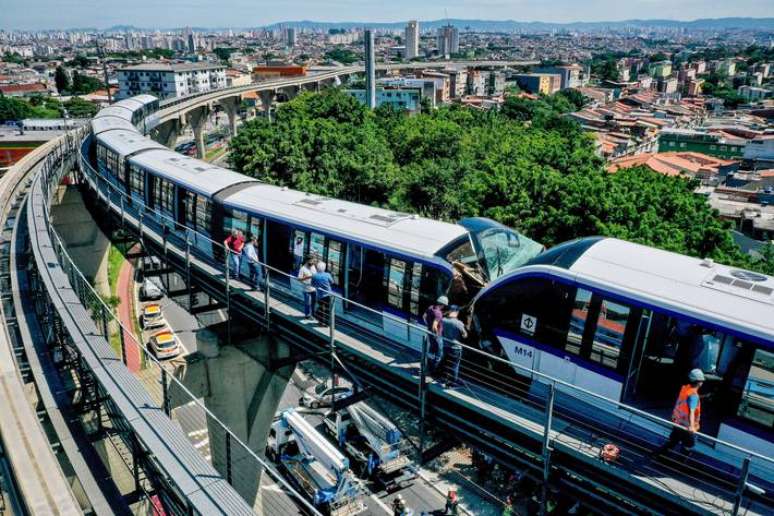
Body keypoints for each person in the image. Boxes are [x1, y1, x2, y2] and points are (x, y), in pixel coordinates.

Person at [653, 368, 704, 458]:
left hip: (678, 422)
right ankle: (680, 464)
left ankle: (657, 454)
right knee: (688, 446)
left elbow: (686, 401)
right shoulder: (694, 396)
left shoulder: (685, 388)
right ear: (698, 382)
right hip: (687, 427)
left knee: (673, 441)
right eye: (702, 380)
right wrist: (692, 426)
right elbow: (691, 411)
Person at [441, 307, 467, 387]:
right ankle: (453, 382)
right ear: (456, 312)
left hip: (445, 346)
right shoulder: (458, 323)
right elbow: (465, 335)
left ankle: (446, 379)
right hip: (455, 347)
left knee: (447, 363)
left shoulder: (443, 320)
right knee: (455, 365)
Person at [423, 295, 448, 372]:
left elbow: (424, 316)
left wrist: (428, 325)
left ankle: (429, 366)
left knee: (431, 351)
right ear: (443, 305)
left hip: (430, 333)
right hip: (437, 336)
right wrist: (437, 335)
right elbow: (435, 325)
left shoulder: (431, 307)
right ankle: (435, 370)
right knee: (439, 354)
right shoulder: (438, 314)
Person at [297, 256, 317, 320]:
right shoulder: (302, 269)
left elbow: (315, 275)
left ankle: (313, 315)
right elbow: (299, 279)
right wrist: (307, 277)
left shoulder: (313, 267)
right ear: (307, 261)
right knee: (307, 303)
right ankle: (307, 315)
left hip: (314, 288)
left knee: (314, 303)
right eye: (311, 261)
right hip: (306, 289)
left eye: (313, 261)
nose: (312, 263)